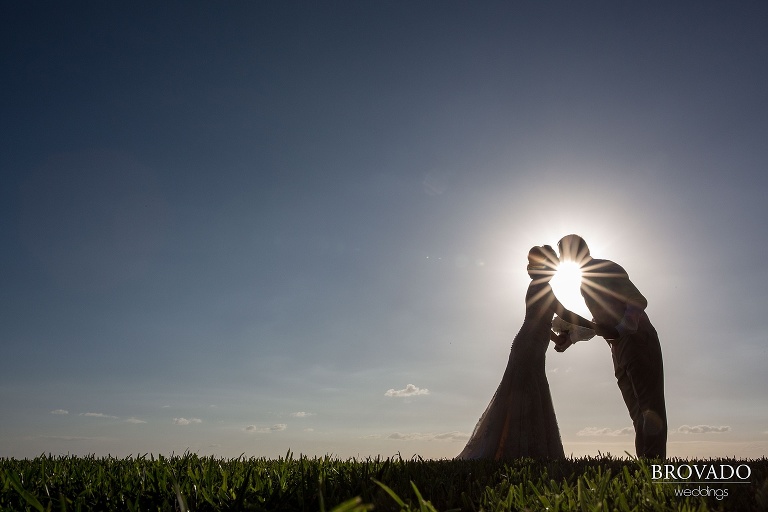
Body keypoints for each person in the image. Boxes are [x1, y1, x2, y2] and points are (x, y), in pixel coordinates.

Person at [457, 245, 595, 460]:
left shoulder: (539, 287)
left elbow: (540, 320)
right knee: (523, 392)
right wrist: (596, 326)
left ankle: (525, 450)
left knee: (530, 392)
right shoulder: (541, 287)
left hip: (534, 343)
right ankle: (517, 451)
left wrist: (557, 337)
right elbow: (564, 312)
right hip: (528, 345)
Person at [556, 234, 667, 459]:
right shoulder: (584, 281)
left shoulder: (606, 268)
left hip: (639, 339)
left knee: (650, 408)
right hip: (617, 348)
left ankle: (656, 468)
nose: (560, 258)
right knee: (637, 412)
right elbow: (601, 322)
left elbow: (637, 300)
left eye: (562, 253)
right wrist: (572, 338)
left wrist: (623, 330)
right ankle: (646, 466)